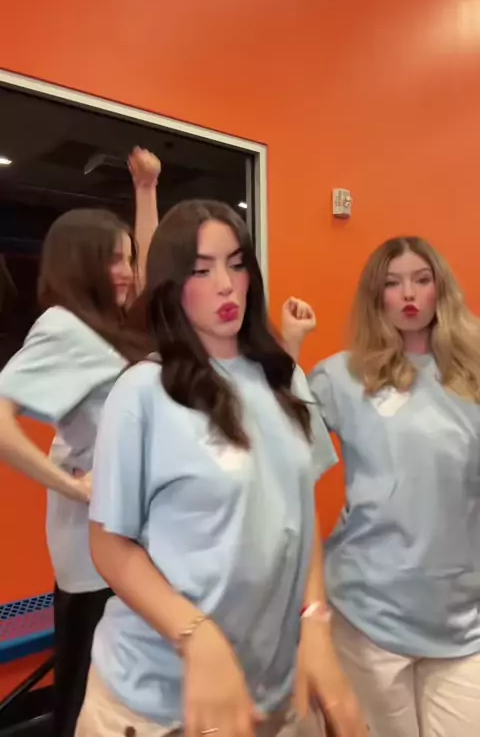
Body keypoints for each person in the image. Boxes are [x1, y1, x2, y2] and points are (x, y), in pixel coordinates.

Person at [76, 199, 368, 737]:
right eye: (201, 270)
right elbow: (109, 544)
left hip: (267, 693)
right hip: (157, 703)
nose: (226, 285)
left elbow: (299, 517)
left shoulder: (284, 378)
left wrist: (315, 620)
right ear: (171, 286)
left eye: (236, 264)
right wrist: (195, 635)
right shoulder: (143, 391)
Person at [284, 236, 480, 737]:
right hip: (368, 616)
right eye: (393, 284)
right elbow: (283, 449)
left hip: (462, 621)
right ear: (377, 297)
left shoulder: (474, 375)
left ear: (441, 288)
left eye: (421, 280)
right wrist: (289, 350)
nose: (408, 294)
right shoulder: (342, 376)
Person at [0, 147, 160, 737]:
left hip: (129, 539)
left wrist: (146, 192)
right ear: (80, 262)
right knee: (87, 694)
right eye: (113, 259)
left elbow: (154, 280)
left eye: (128, 258)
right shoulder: (64, 326)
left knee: (117, 689)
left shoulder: (112, 327)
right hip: (94, 551)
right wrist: (75, 487)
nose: (127, 271)